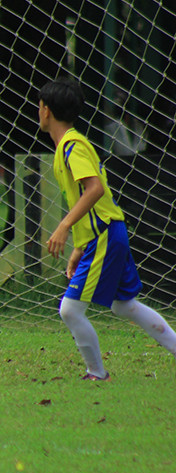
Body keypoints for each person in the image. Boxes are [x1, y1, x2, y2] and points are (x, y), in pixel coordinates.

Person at [39, 78, 176, 380]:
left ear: (46, 111)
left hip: (106, 235)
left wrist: (64, 226)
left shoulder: (71, 147)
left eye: (39, 106)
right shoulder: (70, 144)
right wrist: (78, 246)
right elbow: (89, 201)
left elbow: (95, 189)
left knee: (70, 311)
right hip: (107, 232)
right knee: (124, 306)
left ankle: (96, 373)